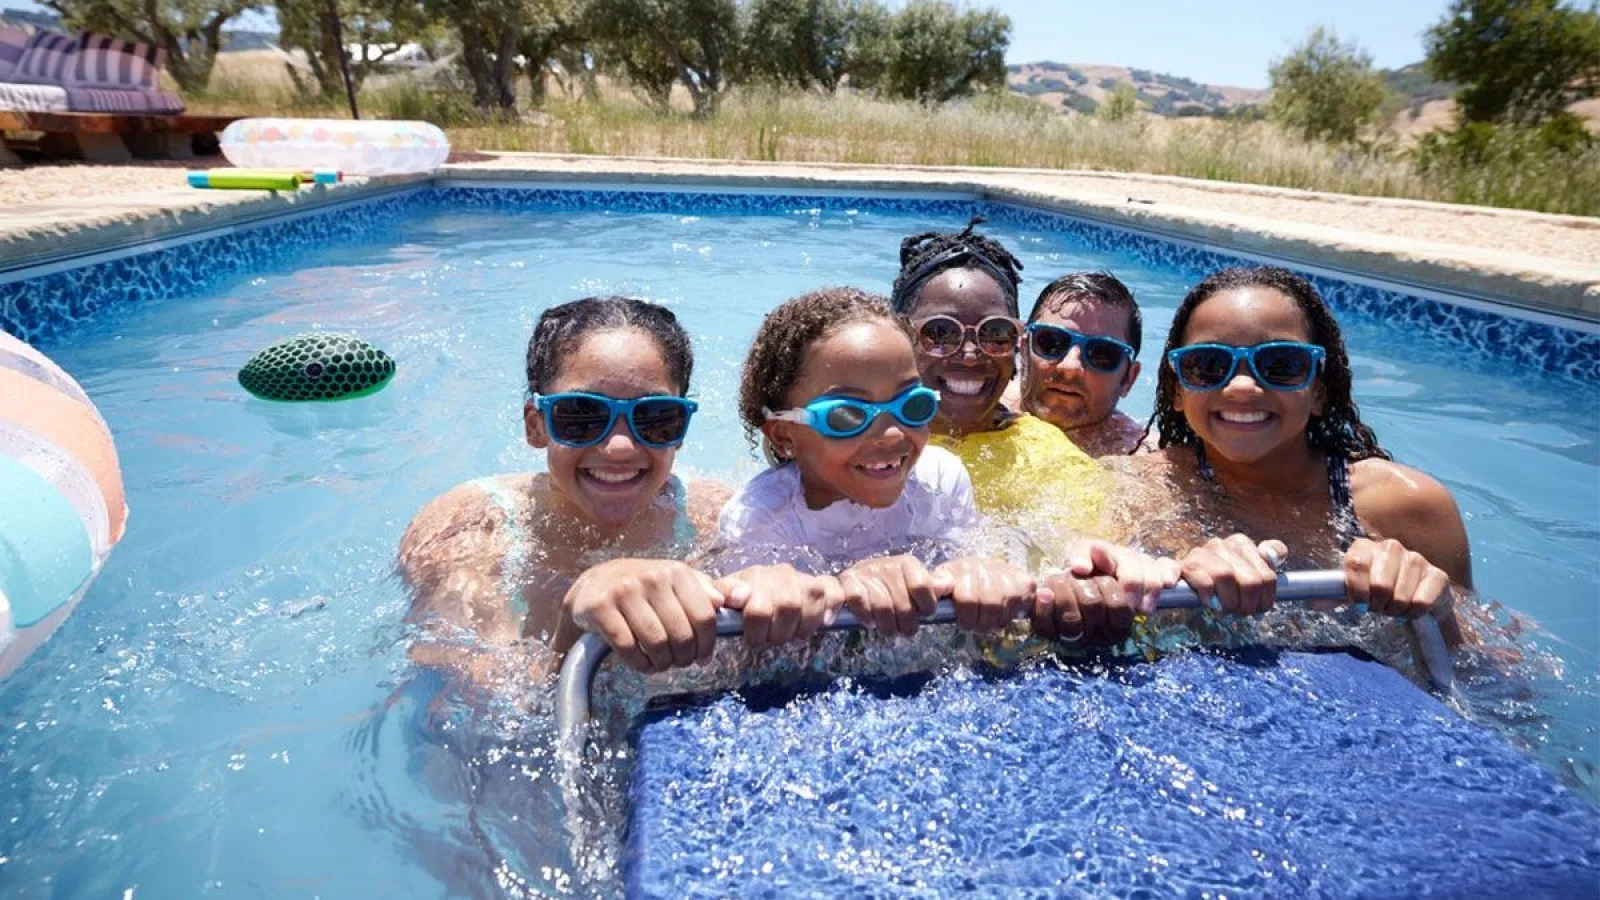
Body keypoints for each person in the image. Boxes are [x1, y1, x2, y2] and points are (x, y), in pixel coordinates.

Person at [398, 296, 834, 681]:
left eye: (655, 418)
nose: (620, 447)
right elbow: (462, 710)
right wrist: (573, 624)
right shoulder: (470, 529)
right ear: (536, 425)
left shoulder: (717, 515)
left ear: (681, 430)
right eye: (581, 416)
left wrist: (780, 607)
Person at [1118, 266, 1469, 645]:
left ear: (1319, 389)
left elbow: (1492, 678)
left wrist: (1435, 609)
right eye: (1207, 366)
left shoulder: (1405, 503)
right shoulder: (1142, 488)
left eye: (1281, 365)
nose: (1241, 386)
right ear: (1177, 391)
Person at [889, 220, 1176, 638]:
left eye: (995, 334)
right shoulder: (855, 434)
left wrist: (1088, 568)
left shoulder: (1046, 450)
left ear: (1012, 345)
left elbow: (1082, 538)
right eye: (939, 333)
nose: (969, 354)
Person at [1013, 272, 1148, 457]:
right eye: (1051, 342)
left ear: (1129, 379)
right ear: (1023, 351)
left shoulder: (1141, 457)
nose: (1070, 367)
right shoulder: (976, 412)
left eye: (1102, 354)